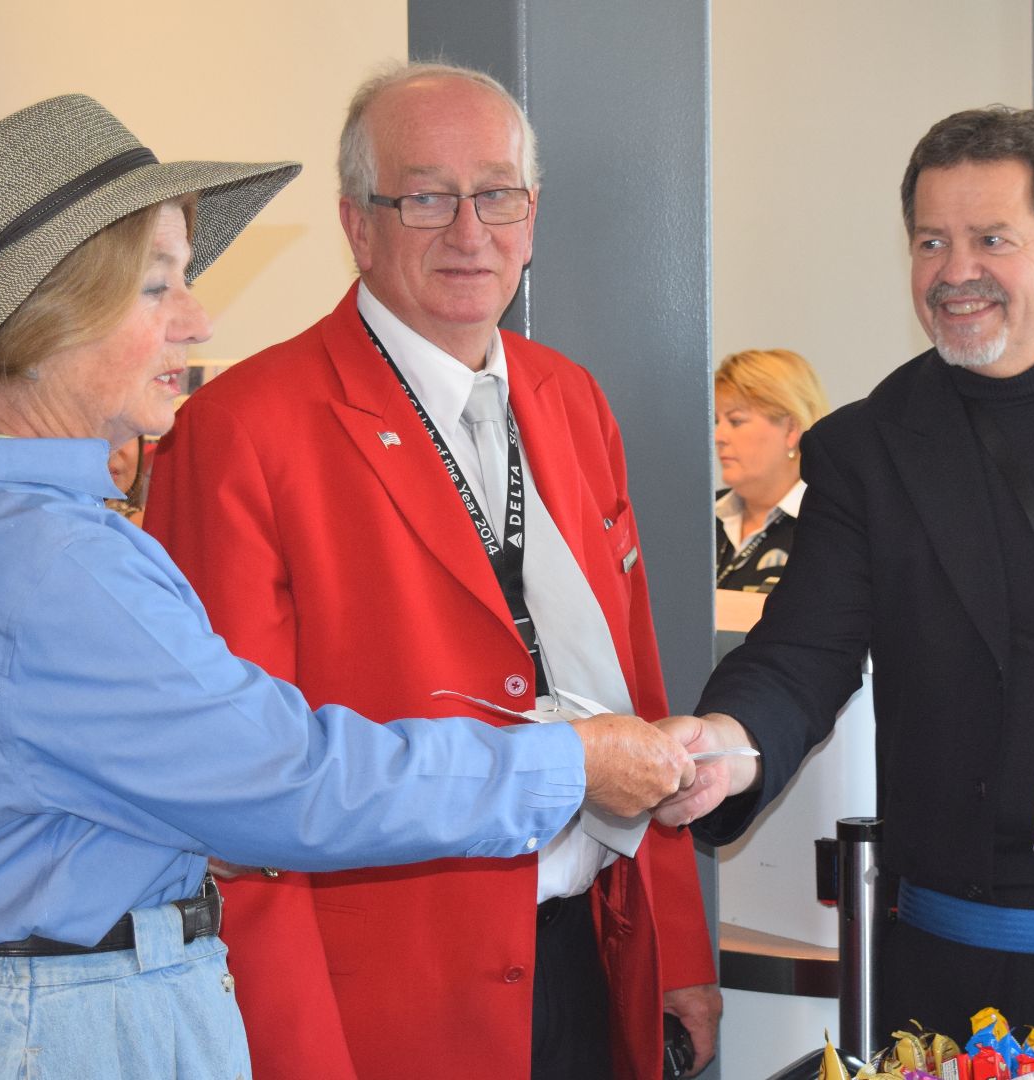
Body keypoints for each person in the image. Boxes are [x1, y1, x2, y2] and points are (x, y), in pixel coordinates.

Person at [0, 94, 691, 1080]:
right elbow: (290, 782)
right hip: (55, 1029)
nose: (197, 319)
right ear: (47, 316)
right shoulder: (51, 557)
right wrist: (565, 766)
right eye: (156, 287)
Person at [145, 63, 720, 1079]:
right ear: (355, 225)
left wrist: (676, 942)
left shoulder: (571, 400)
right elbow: (238, 786)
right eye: (425, 197)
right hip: (384, 1005)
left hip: (585, 962)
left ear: (532, 217)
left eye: (497, 194)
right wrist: (290, 1051)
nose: (470, 231)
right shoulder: (242, 433)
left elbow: (630, 678)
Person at [657, 105, 1034, 1037]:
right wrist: (725, 748)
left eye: (992, 238)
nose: (955, 272)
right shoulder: (869, 447)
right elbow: (799, 654)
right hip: (966, 969)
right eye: (930, 241)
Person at [714, 348, 830, 593]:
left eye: (735, 421)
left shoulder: (828, 523)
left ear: (791, 430)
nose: (718, 436)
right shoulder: (701, 519)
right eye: (716, 421)